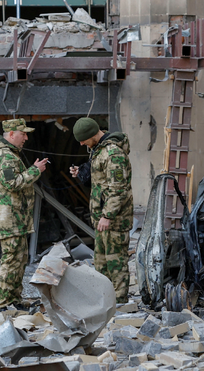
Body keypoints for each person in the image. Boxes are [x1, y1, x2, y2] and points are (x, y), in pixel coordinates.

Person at [0, 118, 48, 308]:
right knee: (12, 260)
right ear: (11, 135)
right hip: (10, 218)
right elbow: (12, 183)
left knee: (19, 260)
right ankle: (6, 303)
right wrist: (35, 171)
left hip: (14, 217)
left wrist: (31, 170)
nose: (26, 138)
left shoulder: (7, 154)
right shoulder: (5, 156)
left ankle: (14, 299)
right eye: (23, 134)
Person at [70, 117, 133, 303]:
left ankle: (119, 301)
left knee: (116, 261)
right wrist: (83, 173)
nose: (81, 144)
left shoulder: (113, 154)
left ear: (93, 134)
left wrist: (108, 215)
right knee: (101, 262)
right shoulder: (99, 151)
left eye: (83, 140)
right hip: (102, 219)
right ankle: (104, 299)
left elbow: (118, 188)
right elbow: (101, 181)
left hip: (114, 220)